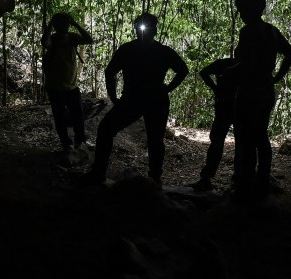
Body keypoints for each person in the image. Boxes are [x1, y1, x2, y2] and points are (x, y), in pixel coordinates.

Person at [80, 12, 189, 189]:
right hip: (140, 99)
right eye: (141, 27)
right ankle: (101, 172)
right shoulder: (139, 50)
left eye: (146, 27)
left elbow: (183, 70)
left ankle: (153, 178)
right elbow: (110, 72)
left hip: (147, 99)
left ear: (154, 30)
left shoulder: (149, 50)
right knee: (109, 130)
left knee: (151, 138)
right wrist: (114, 97)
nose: (143, 31)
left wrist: (167, 88)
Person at [222, 0, 291, 196]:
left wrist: (228, 72)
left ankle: (243, 180)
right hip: (265, 88)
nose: (241, 14)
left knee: (244, 136)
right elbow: (289, 53)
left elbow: (247, 63)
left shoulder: (248, 32)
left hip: (249, 89)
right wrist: (277, 76)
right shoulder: (272, 31)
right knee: (260, 136)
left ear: (250, 9)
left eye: (242, 10)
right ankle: (261, 178)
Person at [42, 12, 94, 150]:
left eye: (66, 23)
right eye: (61, 23)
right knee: (60, 117)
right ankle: (66, 143)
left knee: (78, 114)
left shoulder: (72, 37)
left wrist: (76, 23)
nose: (64, 26)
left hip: (71, 86)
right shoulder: (52, 39)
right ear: (56, 25)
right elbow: (44, 43)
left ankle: (80, 140)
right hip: (55, 87)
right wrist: (51, 22)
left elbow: (89, 39)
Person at [187, 57, 239, 192]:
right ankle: (239, 180)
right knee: (239, 143)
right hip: (238, 107)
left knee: (217, 141)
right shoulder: (247, 65)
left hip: (225, 106)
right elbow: (204, 72)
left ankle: (207, 177)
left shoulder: (225, 63)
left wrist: (216, 88)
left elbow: (204, 72)